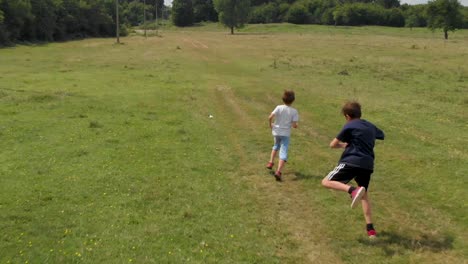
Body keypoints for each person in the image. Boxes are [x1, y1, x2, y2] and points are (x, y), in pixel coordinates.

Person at [321, 101, 384, 238]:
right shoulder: (370, 126)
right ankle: (370, 230)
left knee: (326, 182)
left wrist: (344, 146)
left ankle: (352, 190)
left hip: (351, 161)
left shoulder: (349, 125)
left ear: (347, 116)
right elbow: (381, 135)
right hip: (367, 164)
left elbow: (333, 144)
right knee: (364, 194)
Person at [266, 90, 299, 182]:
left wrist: (270, 125)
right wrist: (296, 126)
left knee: (276, 146)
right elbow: (294, 125)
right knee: (283, 151)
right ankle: (278, 172)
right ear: (293, 100)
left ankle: (271, 162)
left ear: (283, 99)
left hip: (276, 132)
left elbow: (270, 117)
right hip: (285, 134)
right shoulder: (294, 111)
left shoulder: (278, 107)